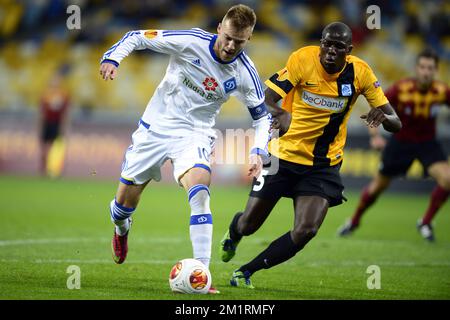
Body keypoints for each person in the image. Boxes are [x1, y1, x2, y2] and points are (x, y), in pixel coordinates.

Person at [99, 4, 272, 294]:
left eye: (239, 41)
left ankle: (202, 274)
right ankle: (121, 227)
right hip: (156, 128)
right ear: (219, 28)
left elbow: (263, 117)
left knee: (200, 193)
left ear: (249, 39)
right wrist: (113, 58)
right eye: (228, 37)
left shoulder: (245, 73)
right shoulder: (191, 40)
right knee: (121, 208)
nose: (230, 46)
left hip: (195, 134)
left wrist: (258, 151)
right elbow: (137, 36)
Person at [219, 22, 402, 289]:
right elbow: (263, 98)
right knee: (249, 224)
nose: (329, 50)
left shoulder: (360, 73)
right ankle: (234, 233)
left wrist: (384, 117)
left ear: (348, 50)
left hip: (322, 165)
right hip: (280, 155)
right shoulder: (302, 59)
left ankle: (246, 271)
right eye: (326, 43)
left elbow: (396, 121)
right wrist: (280, 113)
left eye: (338, 47)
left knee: (307, 230)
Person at [338, 48, 450, 242]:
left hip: (428, 143)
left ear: (436, 71)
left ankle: (425, 222)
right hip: (400, 144)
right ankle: (354, 221)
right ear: (416, 69)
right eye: (423, 67)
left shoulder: (442, 91)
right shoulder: (401, 88)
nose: (426, 72)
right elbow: (376, 108)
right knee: (377, 188)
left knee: (447, 179)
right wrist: (375, 136)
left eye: (430, 68)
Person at [38, 71, 70, 177]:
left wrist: (64, 127)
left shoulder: (63, 95)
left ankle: (54, 170)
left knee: (55, 148)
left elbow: (65, 114)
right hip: (47, 123)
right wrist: (40, 125)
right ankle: (44, 169)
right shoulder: (46, 95)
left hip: (57, 124)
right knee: (44, 147)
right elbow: (41, 113)